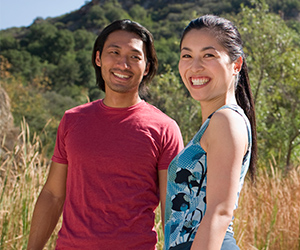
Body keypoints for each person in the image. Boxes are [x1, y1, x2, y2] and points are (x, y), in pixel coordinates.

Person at [27, 19, 184, 250]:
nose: (123, 64)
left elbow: (172, 208)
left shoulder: (165, 128)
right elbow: (52, 194)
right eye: (114, 52)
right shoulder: (72, 120)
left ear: (147, 67)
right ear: (98, 58)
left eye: (134, 56)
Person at [164, 15, 257, 250]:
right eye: (187, 55)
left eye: (208, 55)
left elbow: (219, 211)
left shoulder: (226, 120)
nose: (195, 66)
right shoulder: (218, 122)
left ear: (236, 65)